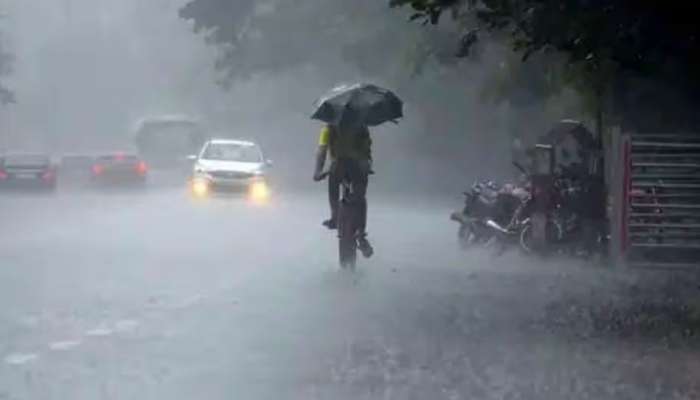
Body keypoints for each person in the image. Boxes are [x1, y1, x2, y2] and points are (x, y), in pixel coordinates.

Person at [313, 112, 373, 258]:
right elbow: (367, 150)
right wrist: (367, 165)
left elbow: (322, 150)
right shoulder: (362, 126)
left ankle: (334, 217)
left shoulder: (329, 127)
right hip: (357, 168)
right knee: (360, 195)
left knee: (333, 186)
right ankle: (361, 234)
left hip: (338, 167)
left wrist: (318, 171)